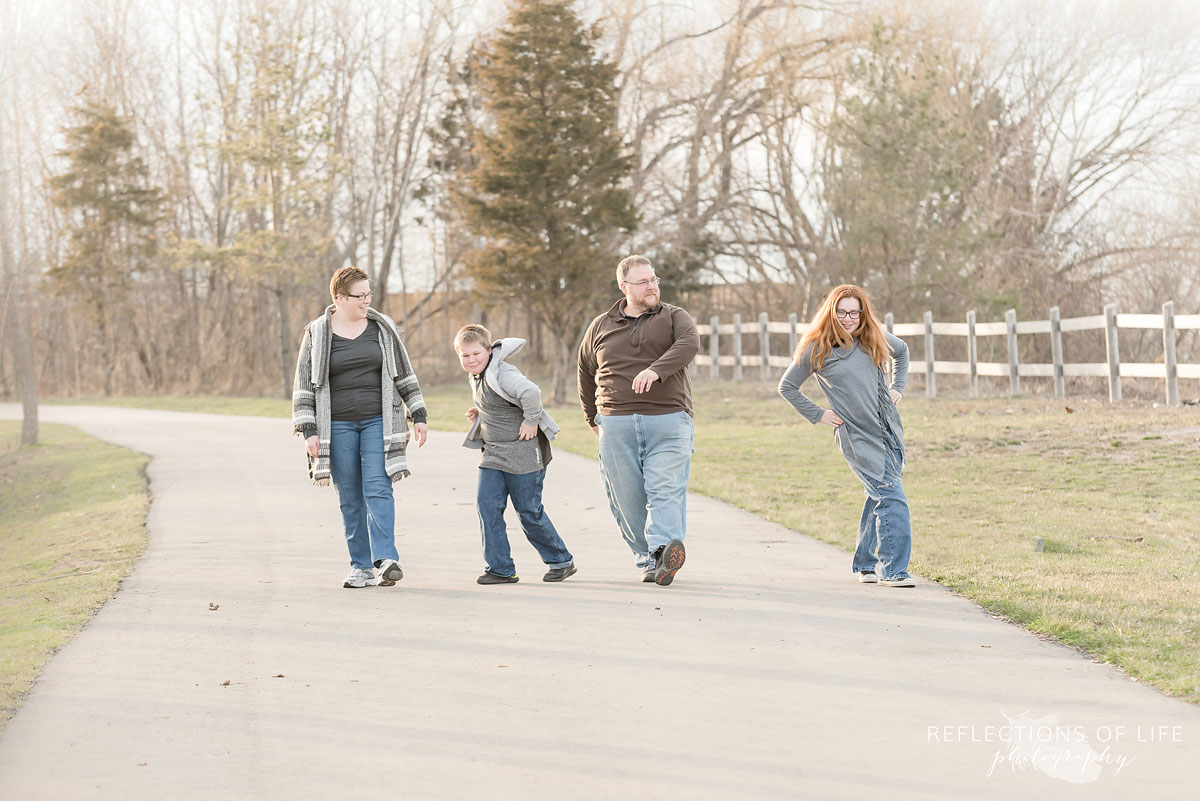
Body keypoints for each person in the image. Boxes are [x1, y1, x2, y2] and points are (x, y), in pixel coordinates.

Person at [292, 266, 428, 589]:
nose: (367, 300)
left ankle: (386, 559)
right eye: (360, 296)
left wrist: (418, 415)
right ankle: (361, 567)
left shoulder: (383, 328)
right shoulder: (317, 332)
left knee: (378, 487)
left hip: (379, 422)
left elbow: (404, 374)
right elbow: (303, 383)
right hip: (336, 425)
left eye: (369, 294)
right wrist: (309, 429)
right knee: (350, 495)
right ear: (339, 298)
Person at [777, 284, 915, 587]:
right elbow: (787, 387)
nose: (848, 318)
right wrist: (819, 415)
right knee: (892, 496)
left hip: (888, 429)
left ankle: (864, 564)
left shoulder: (872, 336)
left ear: (863, 313)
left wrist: (898, 386)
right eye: (841, 312)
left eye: (854, 312)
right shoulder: (817, 347)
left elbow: (902, 352)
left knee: (877, 493)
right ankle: (893, 570)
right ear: (831, 312)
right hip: (856, 436)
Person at [577, 254, 700, 586]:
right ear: (624, 287)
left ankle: (663, 553)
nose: (652, 286)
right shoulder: (600, 326)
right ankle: (648, 556)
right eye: (643, 281)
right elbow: (586, 371)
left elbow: (690, 344)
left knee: (666, 489)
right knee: (626, 499)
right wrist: (592, 416)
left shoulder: (675, 317)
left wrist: (655, 370)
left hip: (669, 420)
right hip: (615, 424)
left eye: (654, 279)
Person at [454, 325, 576, 585]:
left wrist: (531, 421)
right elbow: (498, 401)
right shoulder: (477, 375)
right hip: (494, 454)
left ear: (489, 350)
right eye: (464, 355)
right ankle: (501, 569)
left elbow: (531, 393)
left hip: (522, 454)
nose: (471, 359)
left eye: (476, 353)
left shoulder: (504, 372)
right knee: (487, 507)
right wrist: (480, 412)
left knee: (528, 510)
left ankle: (561, 560)